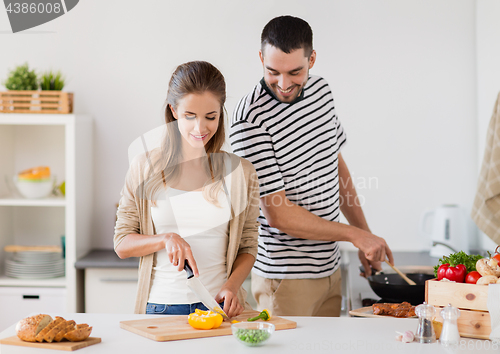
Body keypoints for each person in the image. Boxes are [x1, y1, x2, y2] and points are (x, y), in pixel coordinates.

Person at [230, 16, 394, 317]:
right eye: (272, 72)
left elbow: (336, 164)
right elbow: (278, 214)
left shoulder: (321, 92)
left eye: (295, 72)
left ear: (312, 59)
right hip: (285, 280)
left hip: (330, 269)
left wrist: (364, 235)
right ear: (260, 58)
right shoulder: (249, 120)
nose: (283, 84)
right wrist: (354, 235)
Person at [114, 61, 260, 317]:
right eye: (189, 116)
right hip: (161, 308)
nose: (200, 128)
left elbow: (248, 246)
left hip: (219, 309)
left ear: (221, 114)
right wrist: (166, 238)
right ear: (173, 111)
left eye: (210, 117)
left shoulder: (241, 173)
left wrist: (232, 287)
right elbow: (122, 243)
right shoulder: (144, 168)